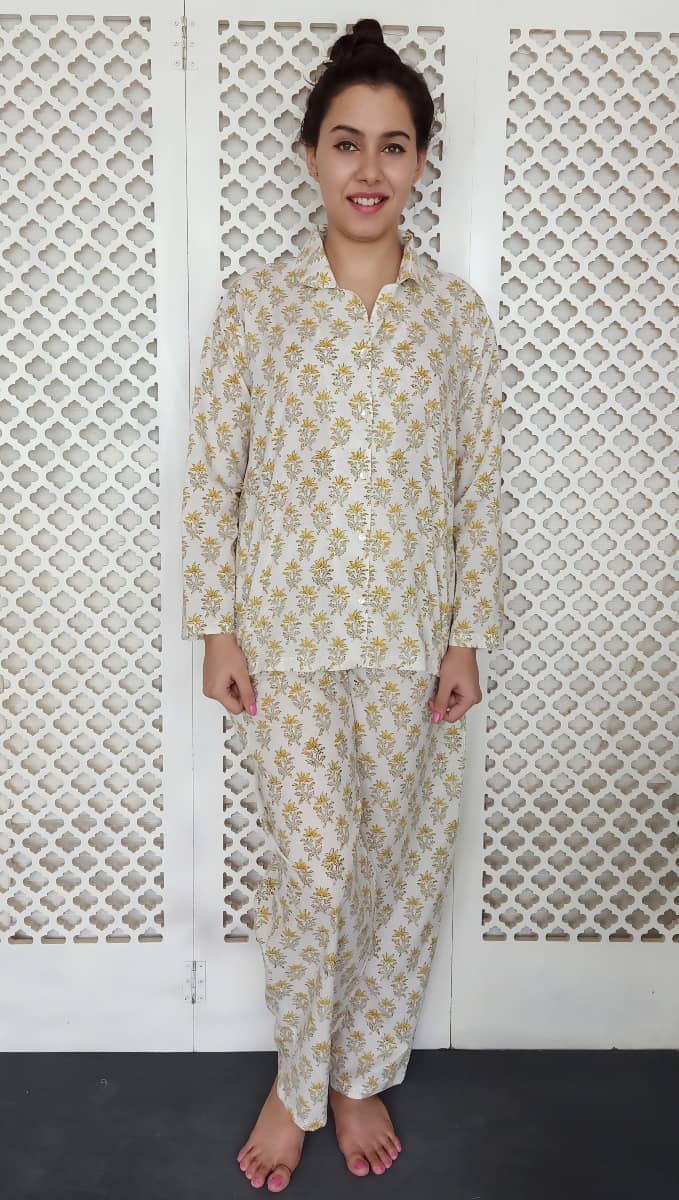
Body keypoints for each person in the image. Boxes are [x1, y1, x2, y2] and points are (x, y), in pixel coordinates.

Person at [180, 17, 504, 1192]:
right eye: (347, 142)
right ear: (312, 154)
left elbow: (478, 487)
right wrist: (216, 625)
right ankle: (296, 1074)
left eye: (394, 145)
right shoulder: (258, 307)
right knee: (314, 868)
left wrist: (467, 636)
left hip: (414, 642)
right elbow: (213, 472)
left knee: (401, 862)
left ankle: (359, 1069)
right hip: (287, 638)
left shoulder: (455, 320)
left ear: (421, 162)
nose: (370, 169)